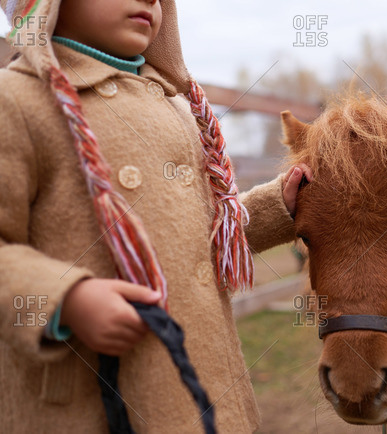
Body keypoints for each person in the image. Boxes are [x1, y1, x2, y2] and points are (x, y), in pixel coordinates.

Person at [0, 0, 311, 432]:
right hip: (93, 404)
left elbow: (199, 244)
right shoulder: (17, 102)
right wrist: (67, 300)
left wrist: (278, 204)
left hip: (204, 393)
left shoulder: (176, 110)